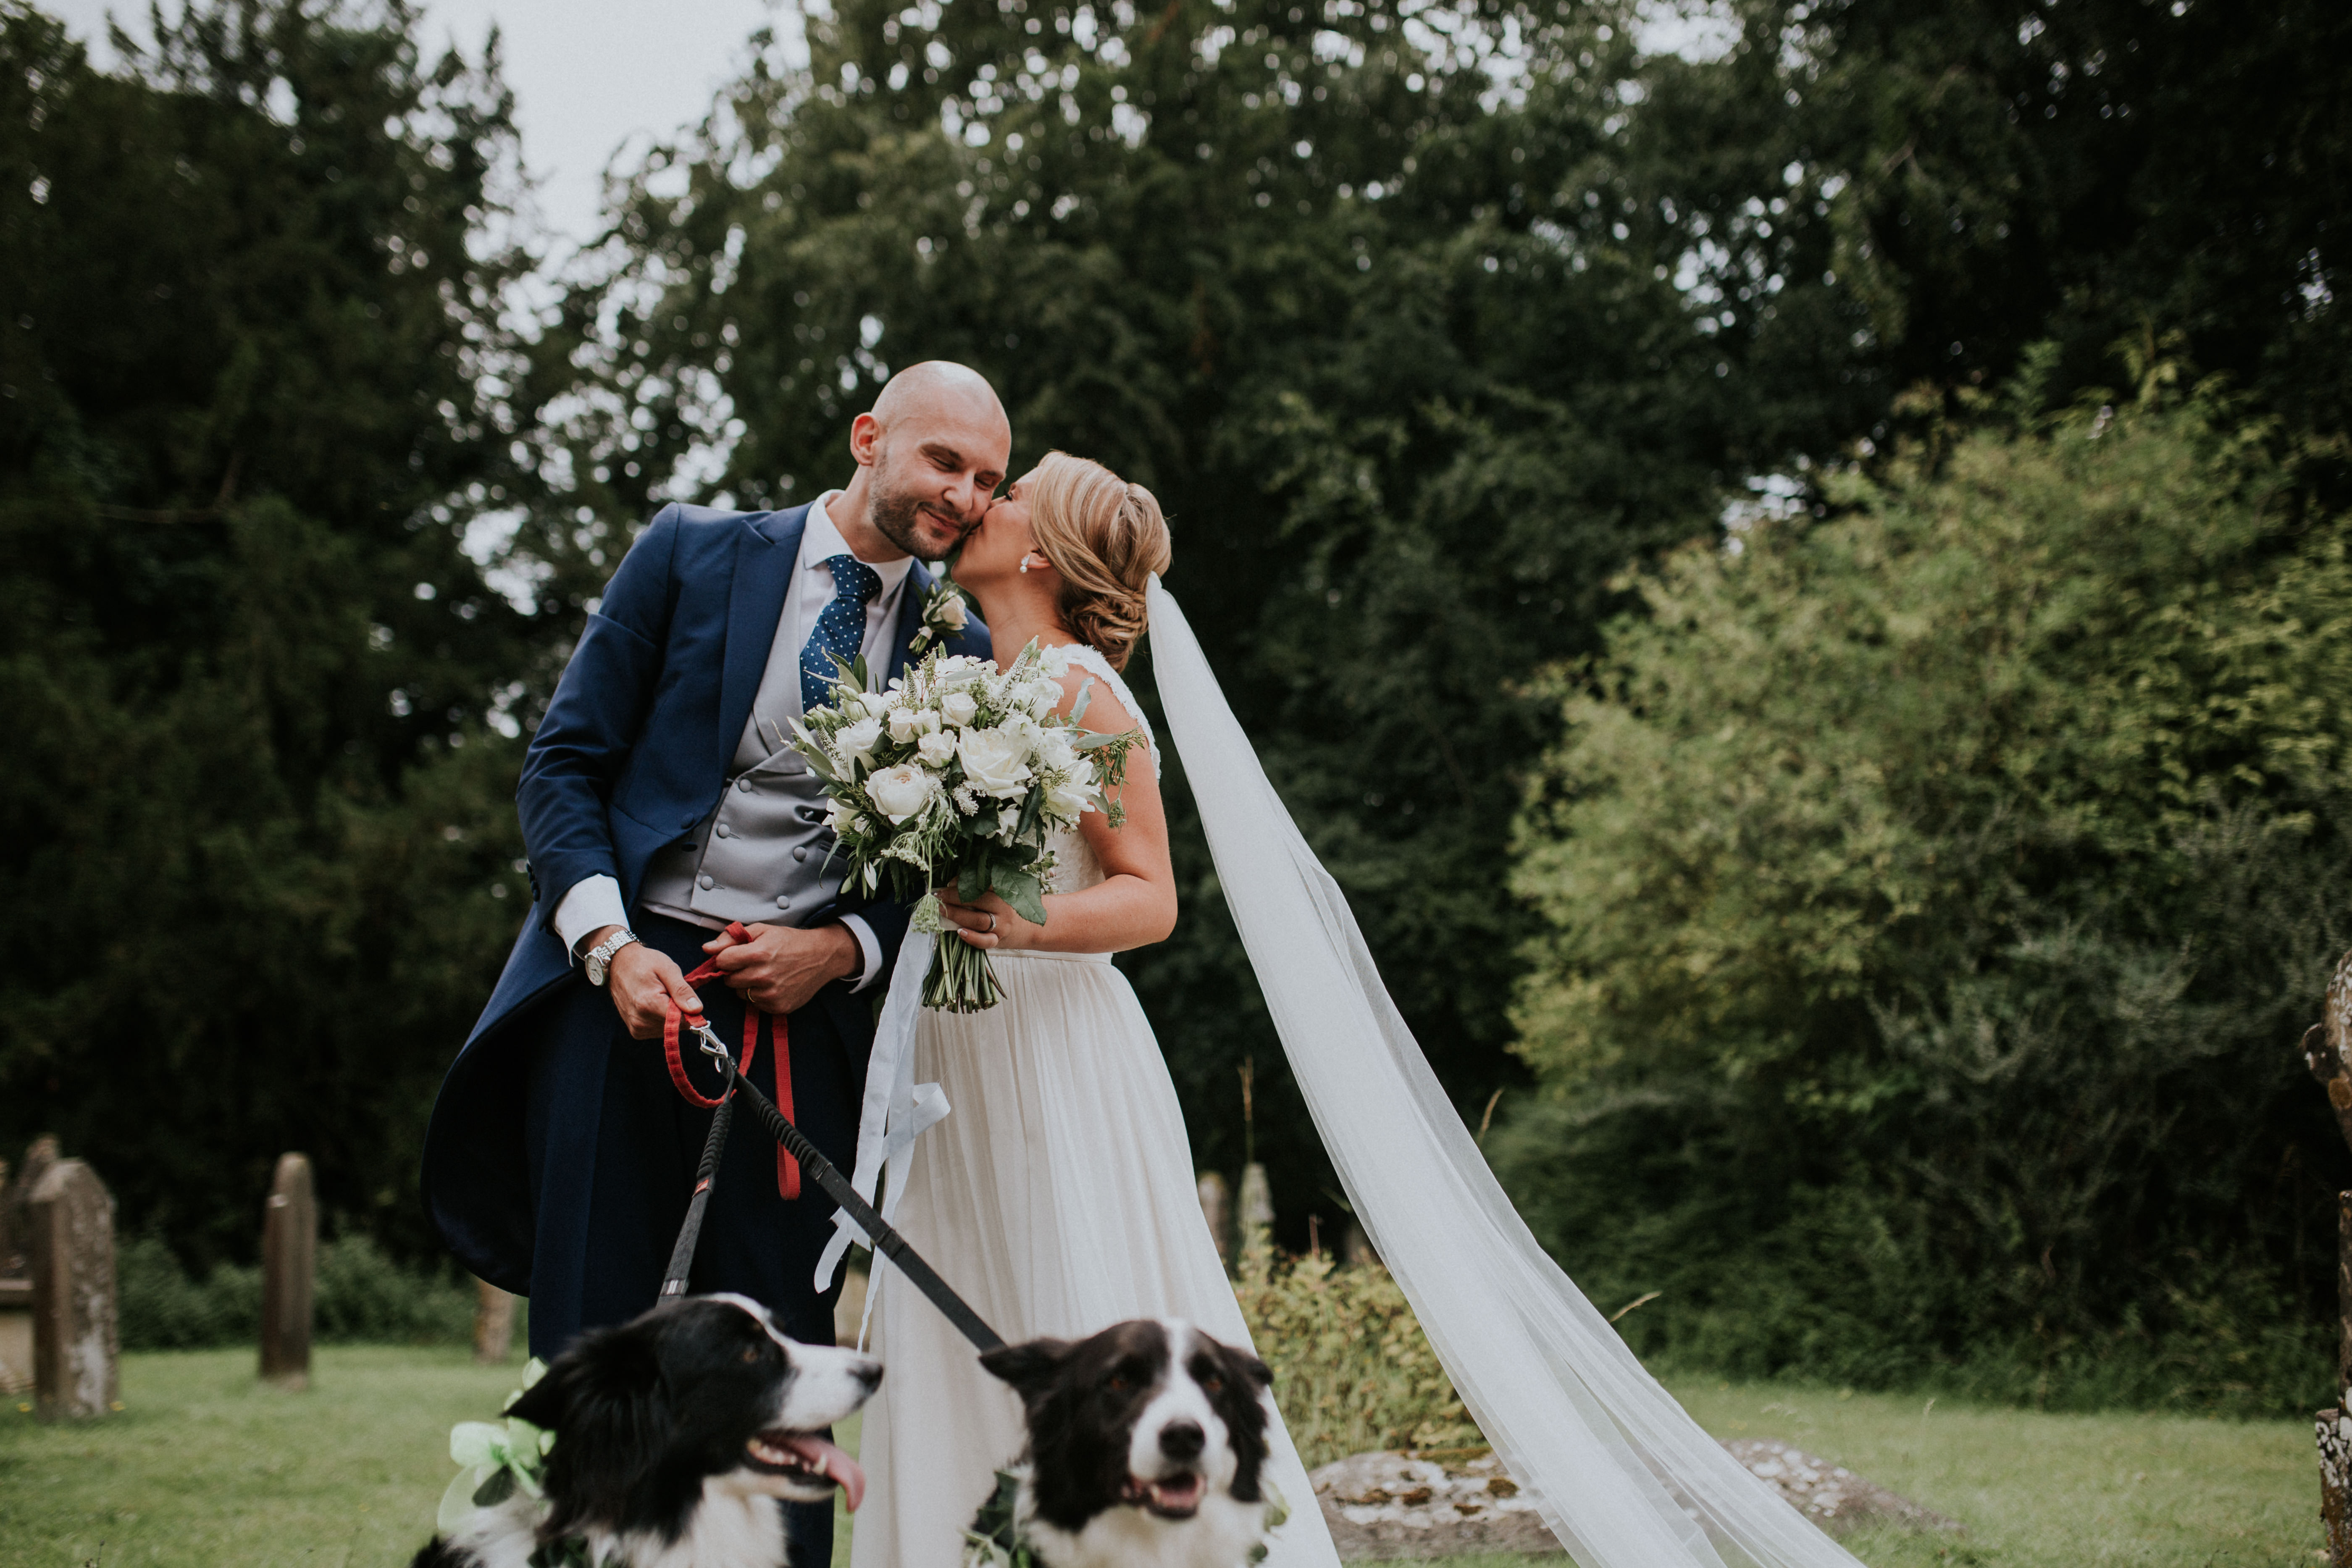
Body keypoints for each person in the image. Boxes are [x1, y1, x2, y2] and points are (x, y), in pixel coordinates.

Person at [419, 362, 1003, 1568]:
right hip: (622, 988)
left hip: (799, 1024)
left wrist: (840, 947)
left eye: (989, 480)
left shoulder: (965, 641)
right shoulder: (690, 554)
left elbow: (941, 878)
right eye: (945, 461)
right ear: (868, 438)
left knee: (785, 1357)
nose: (964, 495)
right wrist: (609, 946)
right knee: (597, 1334)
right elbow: (562, 766)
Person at [847, 452, 1346, 1568]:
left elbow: (1152, 897)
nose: (983, 498)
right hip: (957, 1055)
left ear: (1037, 550)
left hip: (1048, 1048)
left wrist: (1021, 927)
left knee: (1078, 1303)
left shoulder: (1078, 688)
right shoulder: (977, 675)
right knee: (965, 1319)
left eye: (1009, 492)